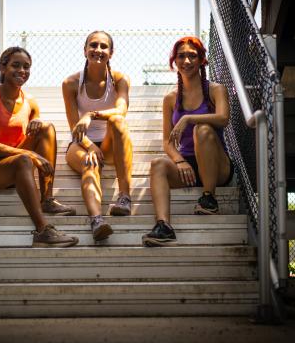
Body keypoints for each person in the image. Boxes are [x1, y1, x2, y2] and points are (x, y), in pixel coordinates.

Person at [0, 46, 78, 248]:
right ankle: (43, 231)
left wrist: (38, 122)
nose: (22, 71)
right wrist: (30, 153)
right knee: (24, 159)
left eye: (26, 67)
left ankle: (47, 199)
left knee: (47, 128)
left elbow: (38, 138)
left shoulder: (30, 103)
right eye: (15, 65)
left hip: (15, 165)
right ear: (3, 67)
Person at [142, 36, 233, 247]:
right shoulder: (170, 99)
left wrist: (189, 118)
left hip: (218, 167)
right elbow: (167, 141)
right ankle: (164, 226)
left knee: (202, 130)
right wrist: (179, 161)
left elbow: (223, 118)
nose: (186, 61)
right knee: (158, 165)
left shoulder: (215, 89)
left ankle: (209, 199)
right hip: (190, 168)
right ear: (175, 61)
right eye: (181, 56)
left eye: (192, 56)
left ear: (201, 60)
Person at [62, 30, 133, 241]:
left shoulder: (120, 79)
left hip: (111, 142)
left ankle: (124, 197)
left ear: (111, 53)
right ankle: (97, 221)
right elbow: (75, 126)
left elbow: (121, 111)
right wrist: (90, 147)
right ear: (85, 50)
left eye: (104, 46)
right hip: (81, 142)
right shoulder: (71, 83)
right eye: (93, 45)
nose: (98, 50)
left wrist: (92, 115)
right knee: (88, 162)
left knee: (118, 121)